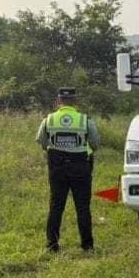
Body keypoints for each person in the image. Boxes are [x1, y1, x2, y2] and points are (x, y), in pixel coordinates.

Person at [35, 87, 101, 252]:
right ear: (75, 102)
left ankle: (52, 245)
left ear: (58, 102)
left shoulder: (48, 120)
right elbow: (95, 143)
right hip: (80, 167)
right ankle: (87, 246)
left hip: (57, 167)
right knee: (82, 207)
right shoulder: (85, 120)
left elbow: (41, 141)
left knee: (56, 206)